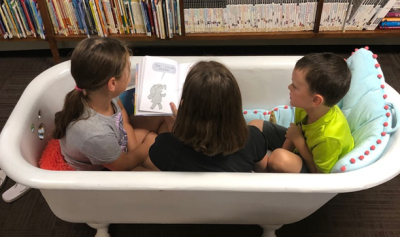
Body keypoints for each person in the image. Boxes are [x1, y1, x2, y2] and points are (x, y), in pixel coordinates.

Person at [54, 37, 156, 171]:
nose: (130, 71)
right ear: (112, 83)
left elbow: (122, 116)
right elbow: (122, 166)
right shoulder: (96, 133)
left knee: (161, 118)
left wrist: (136, 149)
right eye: (128, 68)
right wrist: (147, 145)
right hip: (105, 169)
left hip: (116, 144)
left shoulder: (99, 92)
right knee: (159, 174)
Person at [148, 61, 269, 172]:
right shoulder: (253, 139)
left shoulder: (165, 147)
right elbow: (263, 172)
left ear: (185, 106)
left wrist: (175, 127)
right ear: (235, 107)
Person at [250, 52, 354, 174]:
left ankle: (263, 174)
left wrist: (298, 141)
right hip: (301, 143)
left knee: (279, 158)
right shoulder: (304, 107)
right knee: (254, 126)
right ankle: (267, 166)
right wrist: (291, 143)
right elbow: (292, 133)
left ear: (316, 100)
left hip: (313, 166)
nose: (289, 87)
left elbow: (319, 175)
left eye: (295, 86)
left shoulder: (329, 138)